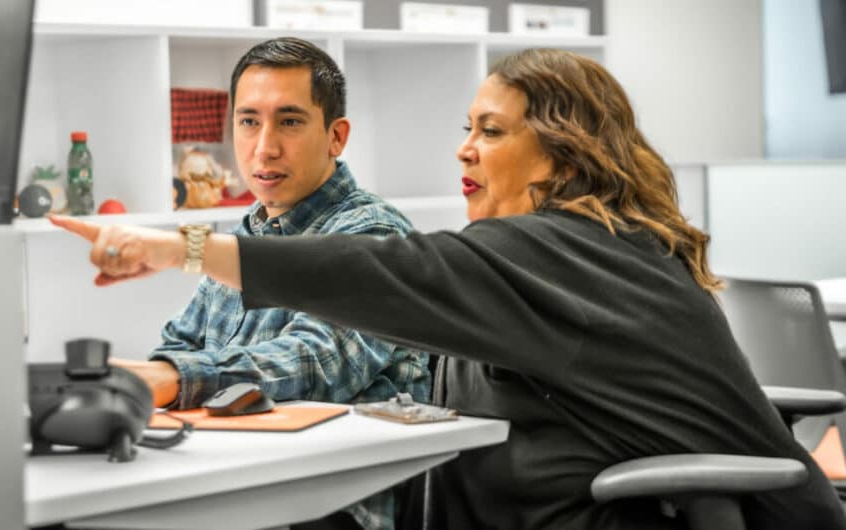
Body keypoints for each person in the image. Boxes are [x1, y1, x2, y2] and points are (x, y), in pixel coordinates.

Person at [50, 48, 846, 529]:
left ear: (562, 159)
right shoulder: (572, 251)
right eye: (466, 126)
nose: (464, 150)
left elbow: (383, 271)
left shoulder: (566, 255)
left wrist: (177, 244)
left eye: (492, 132)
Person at [105, 37, 429, 530]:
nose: (264, 146)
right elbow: (180, 344)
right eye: (249, 121)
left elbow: (319, 359)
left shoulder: (375, 232)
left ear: (336, 136)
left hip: (328, 506)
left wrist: (176, 377)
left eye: (290, 121)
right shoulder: (249, 232)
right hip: (233, 483)